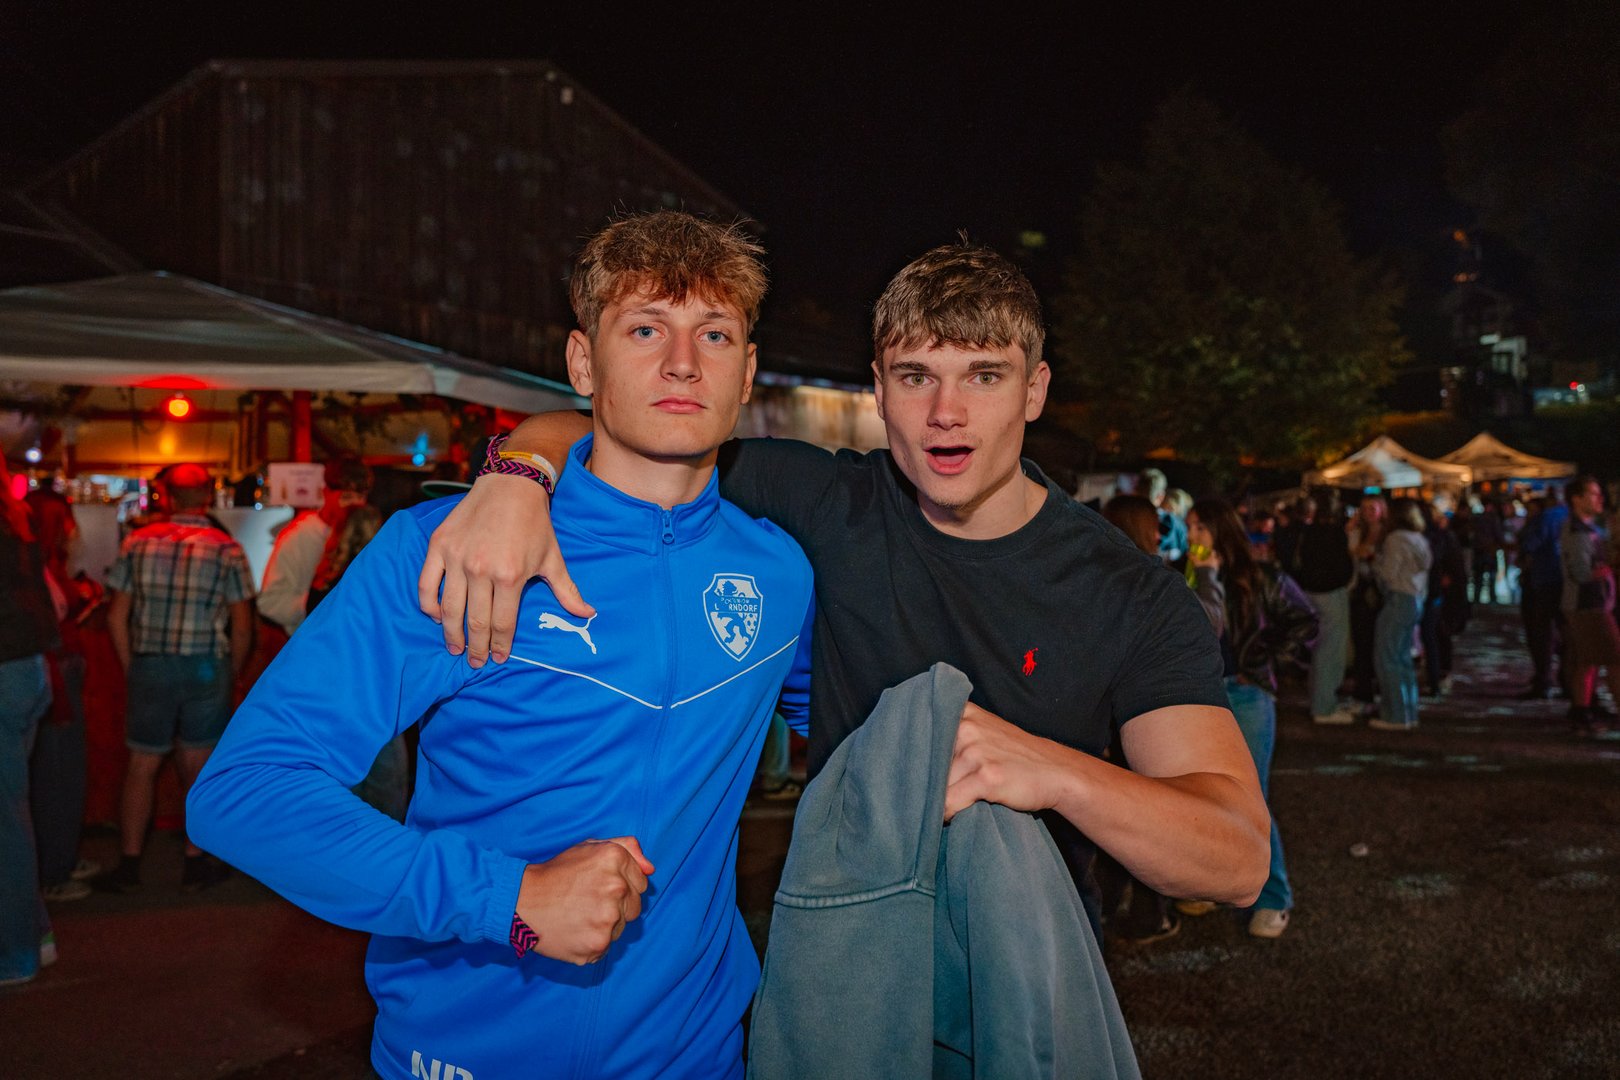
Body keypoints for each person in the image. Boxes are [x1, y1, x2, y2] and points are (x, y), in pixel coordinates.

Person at [417, 240, 1271, 1049]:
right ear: (879, 391)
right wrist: (516, 476)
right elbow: (624, 432)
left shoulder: (1127, 593)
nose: (946, 413)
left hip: (1020, 987)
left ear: (1035, 390)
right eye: (915, 376)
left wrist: (1050, 769)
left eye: (984, 375)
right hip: (842, 978)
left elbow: (1235, 857)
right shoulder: (827, 502)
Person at [188, 210, 816, 1080]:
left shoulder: (779, 573)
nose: (683, 362)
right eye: (645, 329)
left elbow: (858, 726)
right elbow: (245, 793)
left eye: (714, 334)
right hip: (465, 1053)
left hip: (694, 1057)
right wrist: (508, 899)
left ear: (746, 372)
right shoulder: (451, 549)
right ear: (582, 364)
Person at [94, 463, 255, 893]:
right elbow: (242, 626)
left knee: (142, 764)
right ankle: (195, 861)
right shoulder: (227, 548)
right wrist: (231, 671)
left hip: (152, 662)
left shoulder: (137, 542)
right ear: (208, 496)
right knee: (198, 763)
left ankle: (130, 864)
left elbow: (116, 616)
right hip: (205, 663)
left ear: (165, 495)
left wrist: (133, 665)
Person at [1180, 499, 1316, 938]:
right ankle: (1212, 883)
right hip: (1196, 696)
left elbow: (1305, 621)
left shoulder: (1258, 576)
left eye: (1199, 528)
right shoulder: (1185, 572)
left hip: (1244, 693)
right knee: (1201, 793)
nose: (1192, 536)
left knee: (1250, 796)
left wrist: (1259, 661)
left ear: (1220, 530)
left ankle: (1274, 897)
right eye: (1189, 527)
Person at [1, 460, 60, 987]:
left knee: (6, 818)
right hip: (28, 668)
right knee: (12, 811)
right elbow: (54, 600)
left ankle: (15, 953)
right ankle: (34, 935)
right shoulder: (16, 519)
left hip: (5, 671)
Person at [1288, 490, 1356, 725]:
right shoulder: (1333, 533)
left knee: (1322, 647)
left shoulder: (1308, 532)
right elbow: (1343, 565)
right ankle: (1324, 706)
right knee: (1331, 649)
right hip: (1329, 592)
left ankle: (1320, 700)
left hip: (1311, 591)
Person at [1560, 475, 1620, 737]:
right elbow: (1580, 573)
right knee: (1615, 657)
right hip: (1589, 606)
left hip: (1589, 604)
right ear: (1577, 499)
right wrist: (1608, 569)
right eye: (1593, 494)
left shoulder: (1587, 529)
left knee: (1588, 661)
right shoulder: (1579, 533)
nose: (1600, 499)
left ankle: (1581, 711)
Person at [1370, 499, 1431, 732]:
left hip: (1398, 598)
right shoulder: (1419, 539)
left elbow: (1389, 573)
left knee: (1387, 657)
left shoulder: (1395, 539)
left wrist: (1375, 563)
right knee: (1403, 657)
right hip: (1415, 599)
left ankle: (1395, 714)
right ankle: (1408, 711)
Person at [1517, 488, 1569, 699]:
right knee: (1567, 634)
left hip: (1544, 580)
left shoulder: (1546, 518)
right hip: (1566, 582)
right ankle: (1568, 682)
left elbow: (1530, 544)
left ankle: (1544, 680)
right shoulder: (1572, 516)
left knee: (1542, 633)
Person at [1348, 495, 1387, 710]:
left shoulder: (1388, 535)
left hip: (1381, 592)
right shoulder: (1357, 532)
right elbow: (1350, 554)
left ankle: (1380, 689)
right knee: (1362, 643)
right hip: (1360, 591)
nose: (1368, 513)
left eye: (1372, 508)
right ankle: (1363, 692)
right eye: (1364, 508)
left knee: (1380, 644)